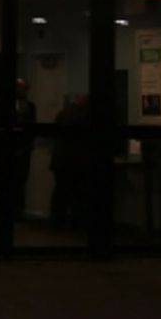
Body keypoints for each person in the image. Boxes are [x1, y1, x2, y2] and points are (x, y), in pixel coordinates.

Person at [49, 93, 90, 229]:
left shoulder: (63, 113)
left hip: (60, 161)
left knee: (61, 192)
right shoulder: (83, 115)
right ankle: (76, 222)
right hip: (73, 161)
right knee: (76, 194)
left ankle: (57, 221)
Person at [13, 78, 37, 220]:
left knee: (21, 181)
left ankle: (18, 211)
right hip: (12, 149)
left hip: (24, 149)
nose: (22, 91)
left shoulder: (30, 106)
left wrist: (29, 145)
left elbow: (32, 126)